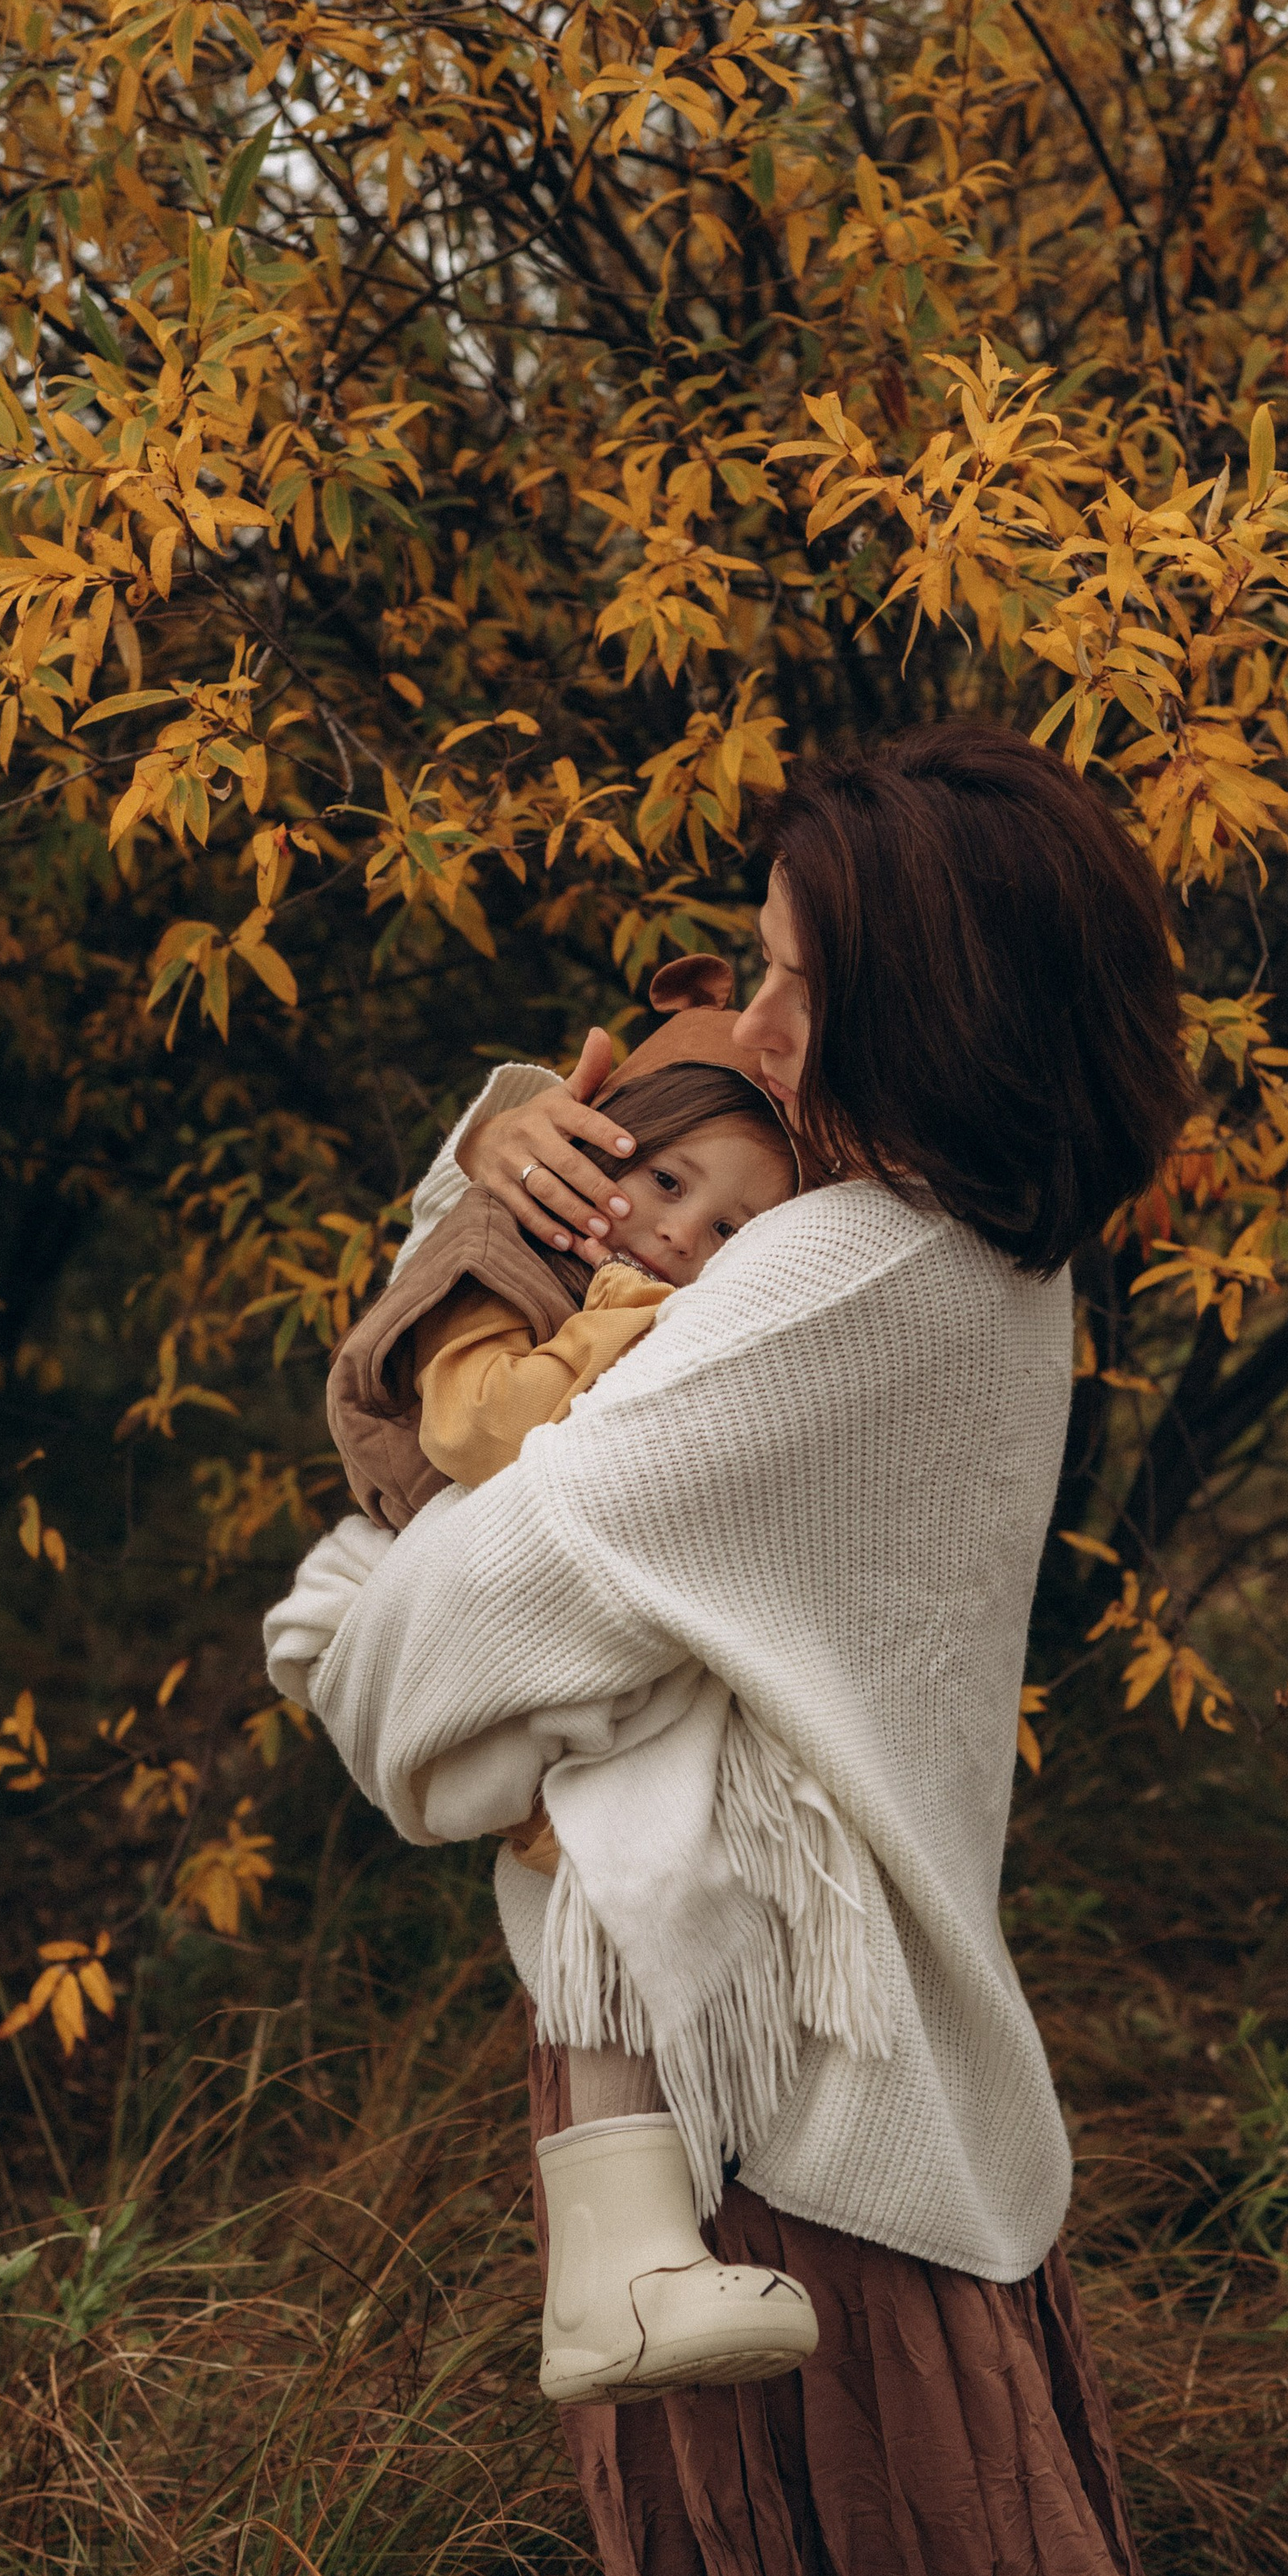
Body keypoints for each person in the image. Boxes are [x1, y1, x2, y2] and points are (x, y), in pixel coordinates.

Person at [284, 720, 1264, 2576]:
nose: (758, 1026)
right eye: (757, 965)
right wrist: (504, 1147)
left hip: (761, 2066)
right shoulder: (965, 1262)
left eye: (809, 984)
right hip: (805, 2023)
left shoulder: (842, 1277)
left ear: (949, 1005)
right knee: (904, 2571)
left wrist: (387, 1588)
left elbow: (427, 1666)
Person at [306, 993, 823, 2405]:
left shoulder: (615, 1282)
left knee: (639, 1843)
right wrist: (620, 1336)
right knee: (620, 1844)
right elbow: (477, 1428)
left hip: (527, 1585)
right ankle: (622, 2274)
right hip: (438, 1565)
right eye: (664, 1185)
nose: (677, 1237)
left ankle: (633, 2264)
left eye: (727, 1234)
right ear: (604, 1153)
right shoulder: (508, 1254)